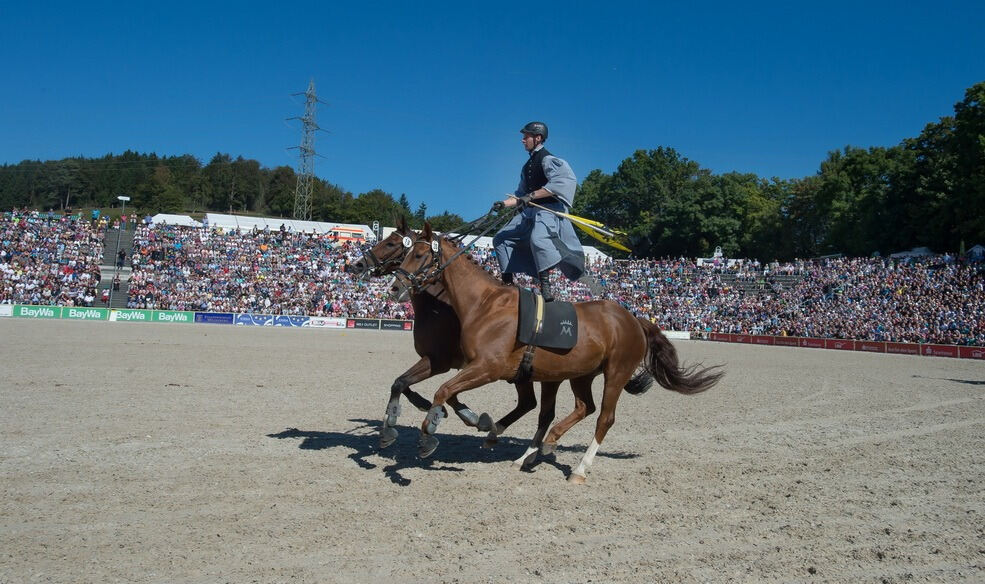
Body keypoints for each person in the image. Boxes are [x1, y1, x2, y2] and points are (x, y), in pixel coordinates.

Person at [492, 121, 585, 301]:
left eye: (526, 136)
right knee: (500, 238)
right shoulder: (526, 166)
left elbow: (561, 183)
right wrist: (503, 204)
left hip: (548, 210)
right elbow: (520, 195)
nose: (523, 140)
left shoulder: (549, 160)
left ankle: (545, 284)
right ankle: (508, 283)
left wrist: (532, 195)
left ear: (538, 138)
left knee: (538, 238)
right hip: (530, 212)